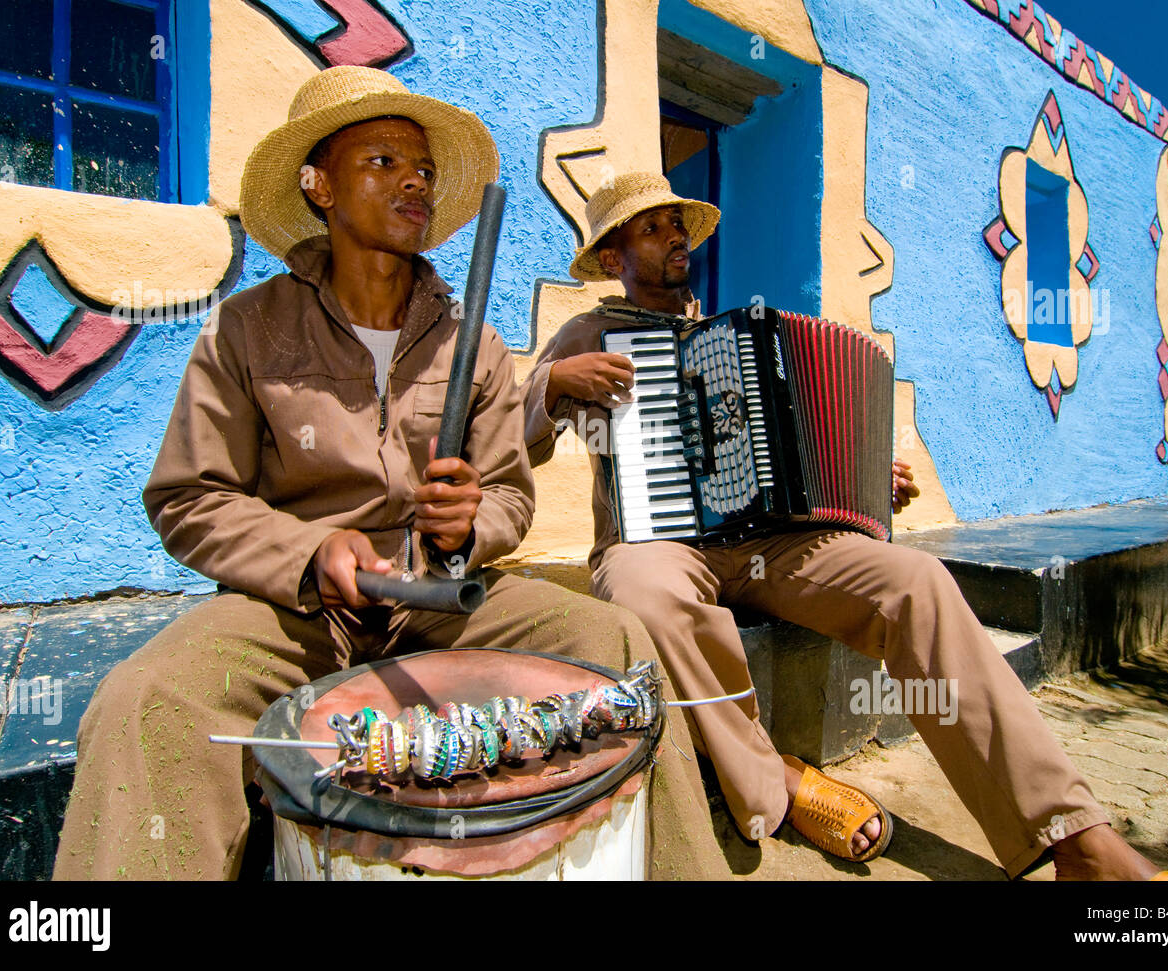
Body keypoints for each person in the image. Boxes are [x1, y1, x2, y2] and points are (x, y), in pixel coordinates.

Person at [52, 72, 725, 881]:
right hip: (292, 611)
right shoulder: (246, 327)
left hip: (442, 603)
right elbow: (189, 497)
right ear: (320, 185)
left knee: (614, 640)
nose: (415, 180)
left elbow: (511, 489)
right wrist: (308, 552)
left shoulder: (469, 341)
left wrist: (470, 523)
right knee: (145, 701)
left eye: (425, 169)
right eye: (382, 160)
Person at [520, 171, 1168, 880]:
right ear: (614, 257)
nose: (676, 236)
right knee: (644, 597)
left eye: (678, 223)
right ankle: (784, 781)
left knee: (916, 579)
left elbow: (795, 456)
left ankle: (1074, 836)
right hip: (654, 543)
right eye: (653, 228)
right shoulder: (587, 332)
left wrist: (864, 484)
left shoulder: (734, 333)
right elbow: (514, 439)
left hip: (767, 542)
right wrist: (553, 385)